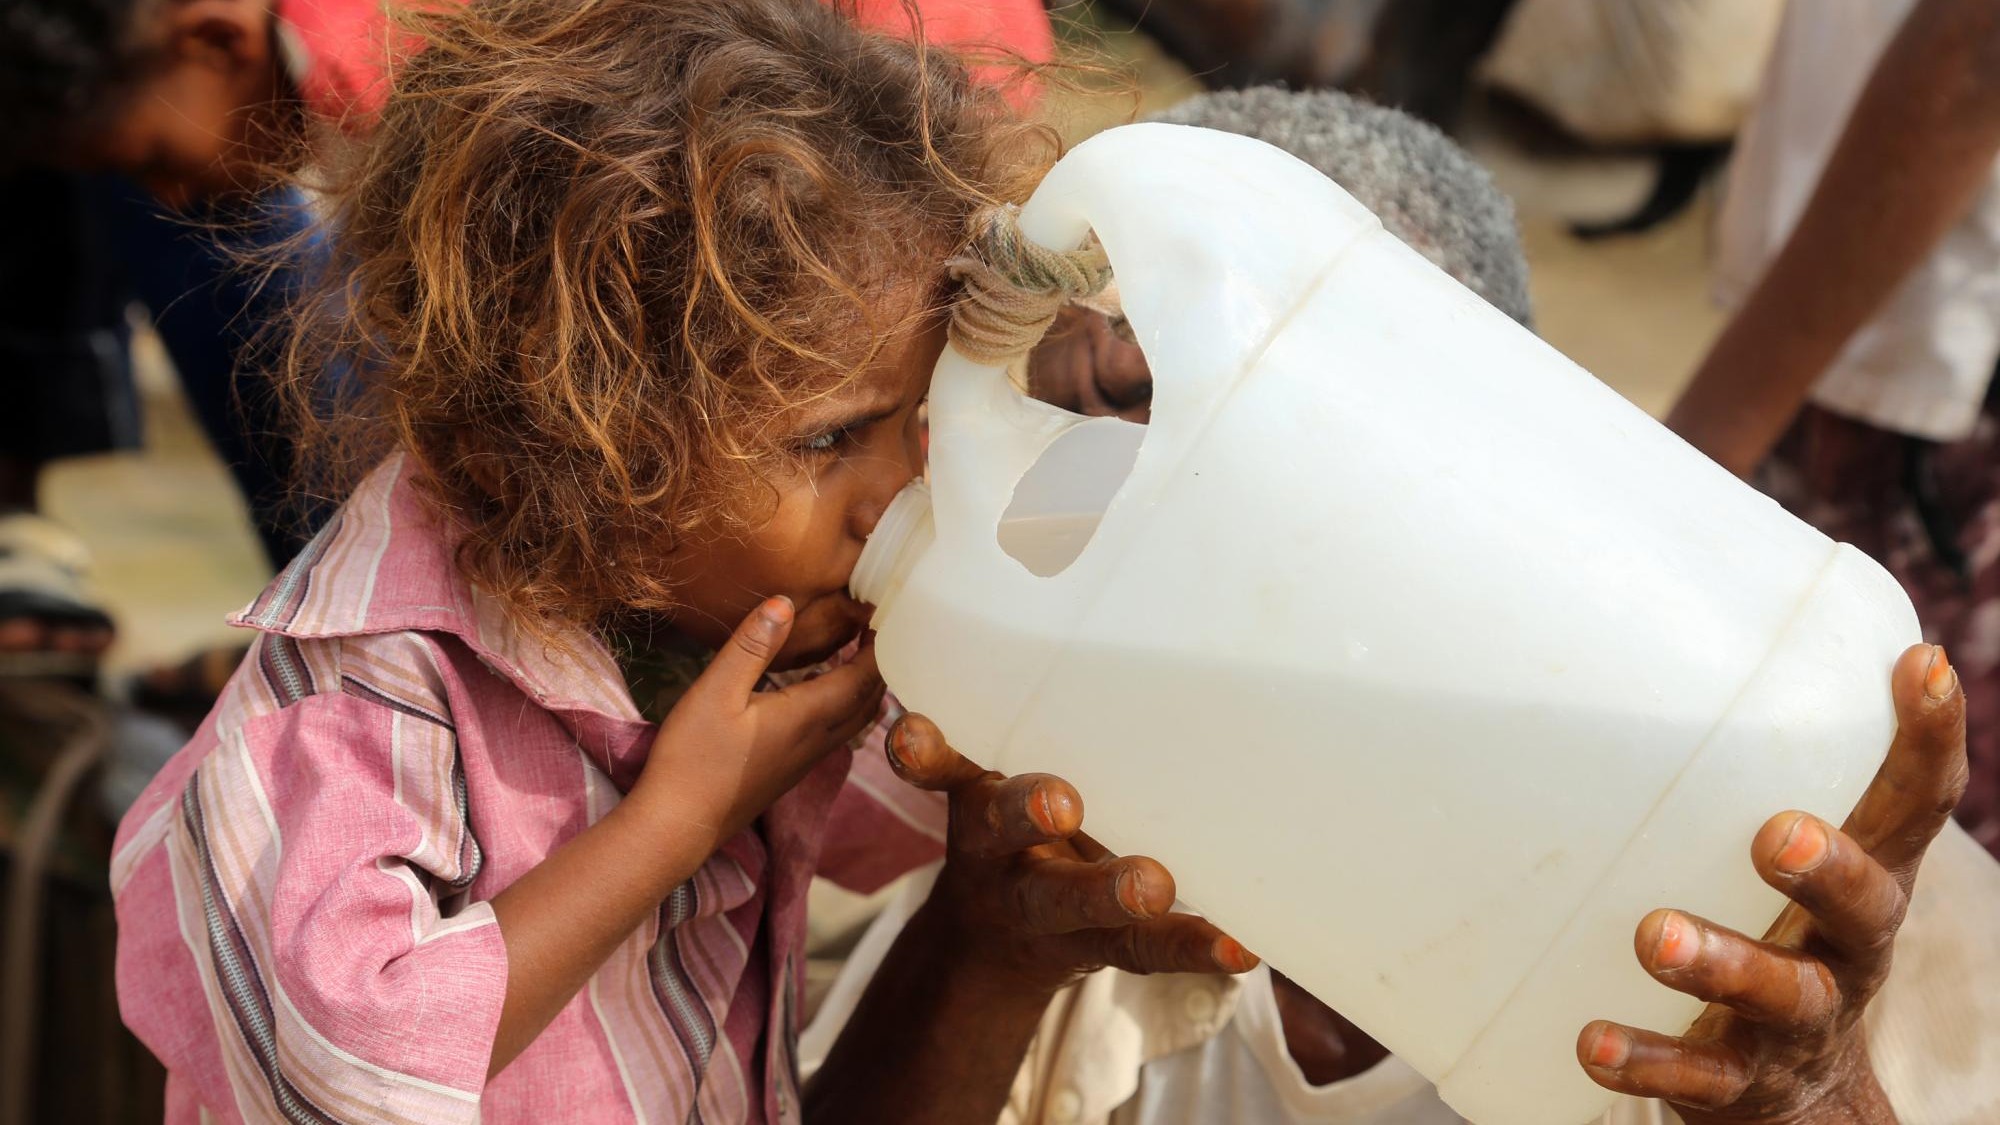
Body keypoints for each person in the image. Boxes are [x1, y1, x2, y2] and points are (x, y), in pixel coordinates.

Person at [109, 3, 1240, 1122]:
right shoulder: (359, 706)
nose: (896, 490)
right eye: (832, 439)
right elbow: (336, 1068)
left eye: (914, 421)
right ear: (582, 445)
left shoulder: (711, 624)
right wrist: (670, 827)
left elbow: (881, 819)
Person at [807, 88, 2000, 1125]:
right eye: (1077, 422)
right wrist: (980, 959)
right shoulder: (1066, 851)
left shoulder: (1823, 881)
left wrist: (1807, 1097)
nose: (1118, 500)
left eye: (1178, 411)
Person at [0, 0, 1048, 673]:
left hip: (902, 98)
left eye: (149, 157)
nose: (172, 198)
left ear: (214, 40)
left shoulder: (413, 73)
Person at [1664, 0, 2000, 856]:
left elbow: (1978, 48)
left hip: (1919, 398)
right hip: (1879, 356)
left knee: (1876, 846)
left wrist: (1701, 448)